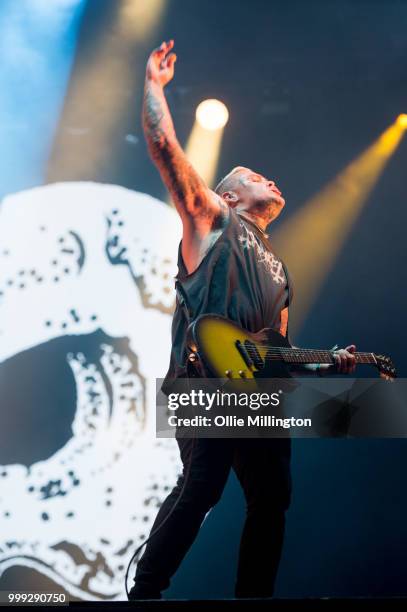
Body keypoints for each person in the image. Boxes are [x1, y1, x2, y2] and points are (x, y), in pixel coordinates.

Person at [128, 40, 356, 601]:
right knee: (203, 485)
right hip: (204, 377)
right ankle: (146, 591)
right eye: (257, 176)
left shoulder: (279, 270)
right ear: (230, 195)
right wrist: (155, 88)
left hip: (257, 388)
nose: (271, 180)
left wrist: (329, 361)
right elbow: (166, 150)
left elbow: (278, 343)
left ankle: (254, 598)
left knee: (272, 496)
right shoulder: (212, 222)